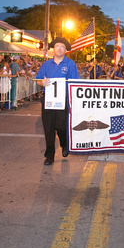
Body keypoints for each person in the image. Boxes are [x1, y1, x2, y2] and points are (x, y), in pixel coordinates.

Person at [36, 37, 79, 165]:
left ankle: (64, 144)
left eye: (62, 47)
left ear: (65, 50)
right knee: (48, 128)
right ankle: (49, 155)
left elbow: (74, 82)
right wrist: (41, 83)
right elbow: (38, 79)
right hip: (48, 100)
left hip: (63, 100)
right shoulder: (46, 64)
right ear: (53, 49)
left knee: (61, 126)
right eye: (57, 46)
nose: (59, 49)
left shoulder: (70, 64)